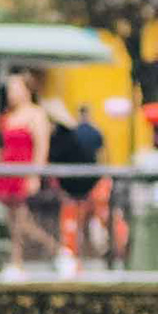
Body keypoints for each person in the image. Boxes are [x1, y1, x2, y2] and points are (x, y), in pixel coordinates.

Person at [0, 70, 52, 272]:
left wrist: (34, 174)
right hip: (9, 169)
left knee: (22, 221)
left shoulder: (36, 114)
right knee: (13, 221)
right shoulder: (8, 115)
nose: (11, 93)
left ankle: (56, 251)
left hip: (25, 170)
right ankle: (16, 262)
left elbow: (41, 146)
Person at [45, 95, 105, 274]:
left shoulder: (64, 135)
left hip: (73, 186)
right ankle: (82, 258)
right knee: (82, 223)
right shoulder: (92, 131)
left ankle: (70, 256)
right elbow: (101, 155)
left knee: (72, 223)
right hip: (88, 183)